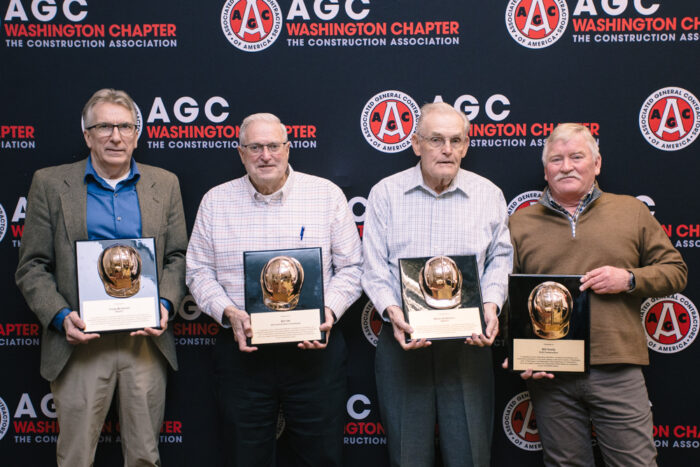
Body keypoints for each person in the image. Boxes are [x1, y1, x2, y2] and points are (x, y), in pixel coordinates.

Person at [15, 88, 188, 466]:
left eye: (125, 126)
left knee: (144, 455)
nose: (116, 136)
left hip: (144, 344)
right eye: (105, 126)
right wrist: (61, 317)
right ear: (87, 135)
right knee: (75, 457)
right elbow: (31, 266)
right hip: (79, 345)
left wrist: (165, 303)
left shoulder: (165, 183)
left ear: (136, 134)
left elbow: (178, 257)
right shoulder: (49, 183)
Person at [186, 112, 363, 466]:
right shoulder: (216, 202)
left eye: (273, 146)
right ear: (241, 153)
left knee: (322, 456)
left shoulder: (325, 195)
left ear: (288, 149)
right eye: (255, 147)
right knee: (244, 456)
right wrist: (228, 312)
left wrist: (327, 312)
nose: (265, 155)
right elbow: (198, 272)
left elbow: (353, 268)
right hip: (243, 353)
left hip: (315, 352)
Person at [508, 123, 687, 466]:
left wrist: (629, 278)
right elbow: (505, 297)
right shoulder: (520, 223)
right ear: (546, 170)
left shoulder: (631, 211)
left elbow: (676, 271)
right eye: (556, 159)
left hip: (617, 367)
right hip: (550, 371)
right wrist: (520, 354)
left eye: (577, 156)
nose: (567, 166)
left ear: (597, 164)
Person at [361, 102, 513, 467]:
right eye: (436, 140)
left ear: (465, 146)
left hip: (469, 342)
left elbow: (500, 259)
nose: (447, 149)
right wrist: (393, 313)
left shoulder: (488, 194)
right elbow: (373, 268)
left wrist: (490, 305)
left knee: (471, 456)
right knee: (406, 456)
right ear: (416, 144)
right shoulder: (385, 193)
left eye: (455, 140)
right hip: (404, 338)